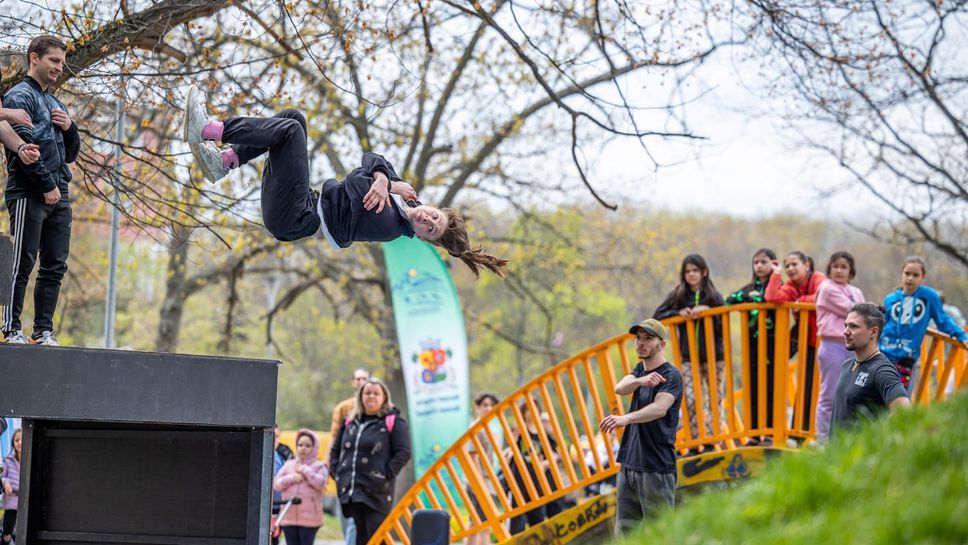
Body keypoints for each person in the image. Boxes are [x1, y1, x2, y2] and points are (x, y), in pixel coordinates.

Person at [182, 86, 507, 278]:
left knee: (291, 132)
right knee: (293, 118)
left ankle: (210, 129)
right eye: (434, 216)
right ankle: (225, 161)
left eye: (430, 229)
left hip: (295, 216)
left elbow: (355, 179)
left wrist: (384, 181)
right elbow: (372, 158)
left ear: (423, 237)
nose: (426, 219)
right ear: (435, 207)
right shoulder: (405, 198)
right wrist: (384, 178)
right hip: (302, 205)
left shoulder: (389, 223)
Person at [2, 36, 80, 345]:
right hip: (29, 191)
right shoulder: (19, 96)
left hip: (59, 193)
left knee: (55, 266)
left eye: (62, 63)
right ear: (34, 58)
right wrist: (47, 186)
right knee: (21, 262)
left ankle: (43, 331)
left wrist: (70, 128)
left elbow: (71, 154)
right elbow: (25, 149)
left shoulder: (55, 103)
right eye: (54, 61)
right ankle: (11, 329)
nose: (59, 67)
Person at [600, 319, 683, 534]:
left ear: (661, 344)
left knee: (661, 534)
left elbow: (659, 409)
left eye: (648, 338)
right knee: (625, 535)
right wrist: (640, 381)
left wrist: (625, 419)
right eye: (638, 338)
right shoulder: (639, 371)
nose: (640, 343)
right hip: (629, 464)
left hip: (656, 467)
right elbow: (620, 388)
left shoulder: (671, 376)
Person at [653, 254, 725, 453]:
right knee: (691, 400)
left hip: (714, 356)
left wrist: (708, 311)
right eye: (687, 271)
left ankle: (711, 441)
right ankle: (694, 441)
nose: (691, 274)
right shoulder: (678, 295)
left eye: (695, 270)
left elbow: (723, 322)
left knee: (715, 398)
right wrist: (678, 313)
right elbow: (658, 315)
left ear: (704, 272)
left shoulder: (714, 296)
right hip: (688, 357)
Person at [330, 378, 411, 545]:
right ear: (360, 396)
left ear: (384, 397)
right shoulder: (349, 421)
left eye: (376, 393)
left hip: (377, 492)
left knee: (378, 536)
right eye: (367, 393)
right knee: (361, 536)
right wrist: (337, 472)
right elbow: (335, 450)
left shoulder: (393, 421)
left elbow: (403, 452)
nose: (371, 396)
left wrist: (386, 474)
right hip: (352, 491)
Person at [879, 256, 968, 394]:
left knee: (900, 397)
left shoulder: (929, 296)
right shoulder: (890, 298)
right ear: (901, 274)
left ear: (923, 277)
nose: (910, 278)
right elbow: (884, 324)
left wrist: (961, 335)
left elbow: (942, 320)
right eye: (907, 273)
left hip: (906, 358)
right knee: (878, 395)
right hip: (884, 354)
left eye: (915, 275)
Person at [765, 250, 827, 433]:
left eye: (794, 264)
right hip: (808, 343)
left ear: (806, 265)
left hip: (827, 342)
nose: (790, 269)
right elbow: (772, 297)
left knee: (824, 388)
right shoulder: (792, 285)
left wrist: (801, 302)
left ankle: (823, 433)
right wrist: (776, 274)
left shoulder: (818, 278)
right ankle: (799, 433)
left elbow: (824, 296)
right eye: (787, 266)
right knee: (805, 387)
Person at [830, 303, 910, 436]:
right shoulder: (846, 366)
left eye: (853, 326)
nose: (846, 332)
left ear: (873, 331)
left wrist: (875, 440)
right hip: (837, 449)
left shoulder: (881, 370)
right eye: (846, 325)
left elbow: (903, 412)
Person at [725, 248, 778, 446]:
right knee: (753, 387)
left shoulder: (779, 286)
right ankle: (754, 434)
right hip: (752, 345)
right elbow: (728, 300)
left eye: (763, 262)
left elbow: (776, 298)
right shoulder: (748, 290)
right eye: (756, 262)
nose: (759, 266)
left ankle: (770, 433)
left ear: (773, 264)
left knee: (771, 387)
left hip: (773, 344)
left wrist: (776, 276)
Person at [814, 251, 865, 440]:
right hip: (832, 345)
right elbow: (854, 311)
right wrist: (870, 310)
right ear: (829, 268)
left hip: (853, 347)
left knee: (851, 393)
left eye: (844, 267)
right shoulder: (827, 288)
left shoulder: (856, 291)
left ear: (851, 270)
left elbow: (864, 316)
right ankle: (823, 438)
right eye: (835, 266)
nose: (839, 270)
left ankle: (844, 437)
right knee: (830, 394)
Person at [329, 368, 370, 545]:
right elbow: (334, 438)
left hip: (366, 473)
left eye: (364, 378)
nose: (361, 382)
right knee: (348, 517)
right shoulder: (344, 408)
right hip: (346, 470)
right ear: (353, 382)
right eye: (358, 378)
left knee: (358, 519)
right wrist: (332, 467)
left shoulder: (376, 408)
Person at [506, 401, 559, 535]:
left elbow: (554, 454)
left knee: (538, 517)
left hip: (538, 481)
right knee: (517, 519)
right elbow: (510, 450)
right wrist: (516, 434)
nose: (531, 412)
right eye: (528, 409)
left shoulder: (542, 433)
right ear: (523, 413)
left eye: (534, 408)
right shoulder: (519, 430)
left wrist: (545, 463)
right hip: (519, 480)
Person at [273, 429, 329, 545]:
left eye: (308, 446)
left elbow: (321, 483)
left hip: (309, 519)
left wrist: (306, 470)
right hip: (288, 516)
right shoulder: (289, 465)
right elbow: (276, 484)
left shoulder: (319, 466)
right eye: (300, 445)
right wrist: (292, 478)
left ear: (315, 447)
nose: (303, 448)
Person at [466, 392, 499, 545]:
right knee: (482, 523)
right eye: (485, 405)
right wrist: (479, 484)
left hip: (486, 480)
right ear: (477, 407)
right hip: (478, 480)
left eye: (492, 405)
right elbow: (473, 456)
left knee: (478, 523)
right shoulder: (476, 428)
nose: (489, 408)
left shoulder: (489, 429)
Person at [1, 428, 21, 544]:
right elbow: (2, 477)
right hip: (11, 503)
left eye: (22, 439)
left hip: (25, 504)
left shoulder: (31, 460)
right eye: (16, 440)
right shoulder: (8, 461)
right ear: (13, 443)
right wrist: (6, 482)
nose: (20, 442)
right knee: (7, 533)